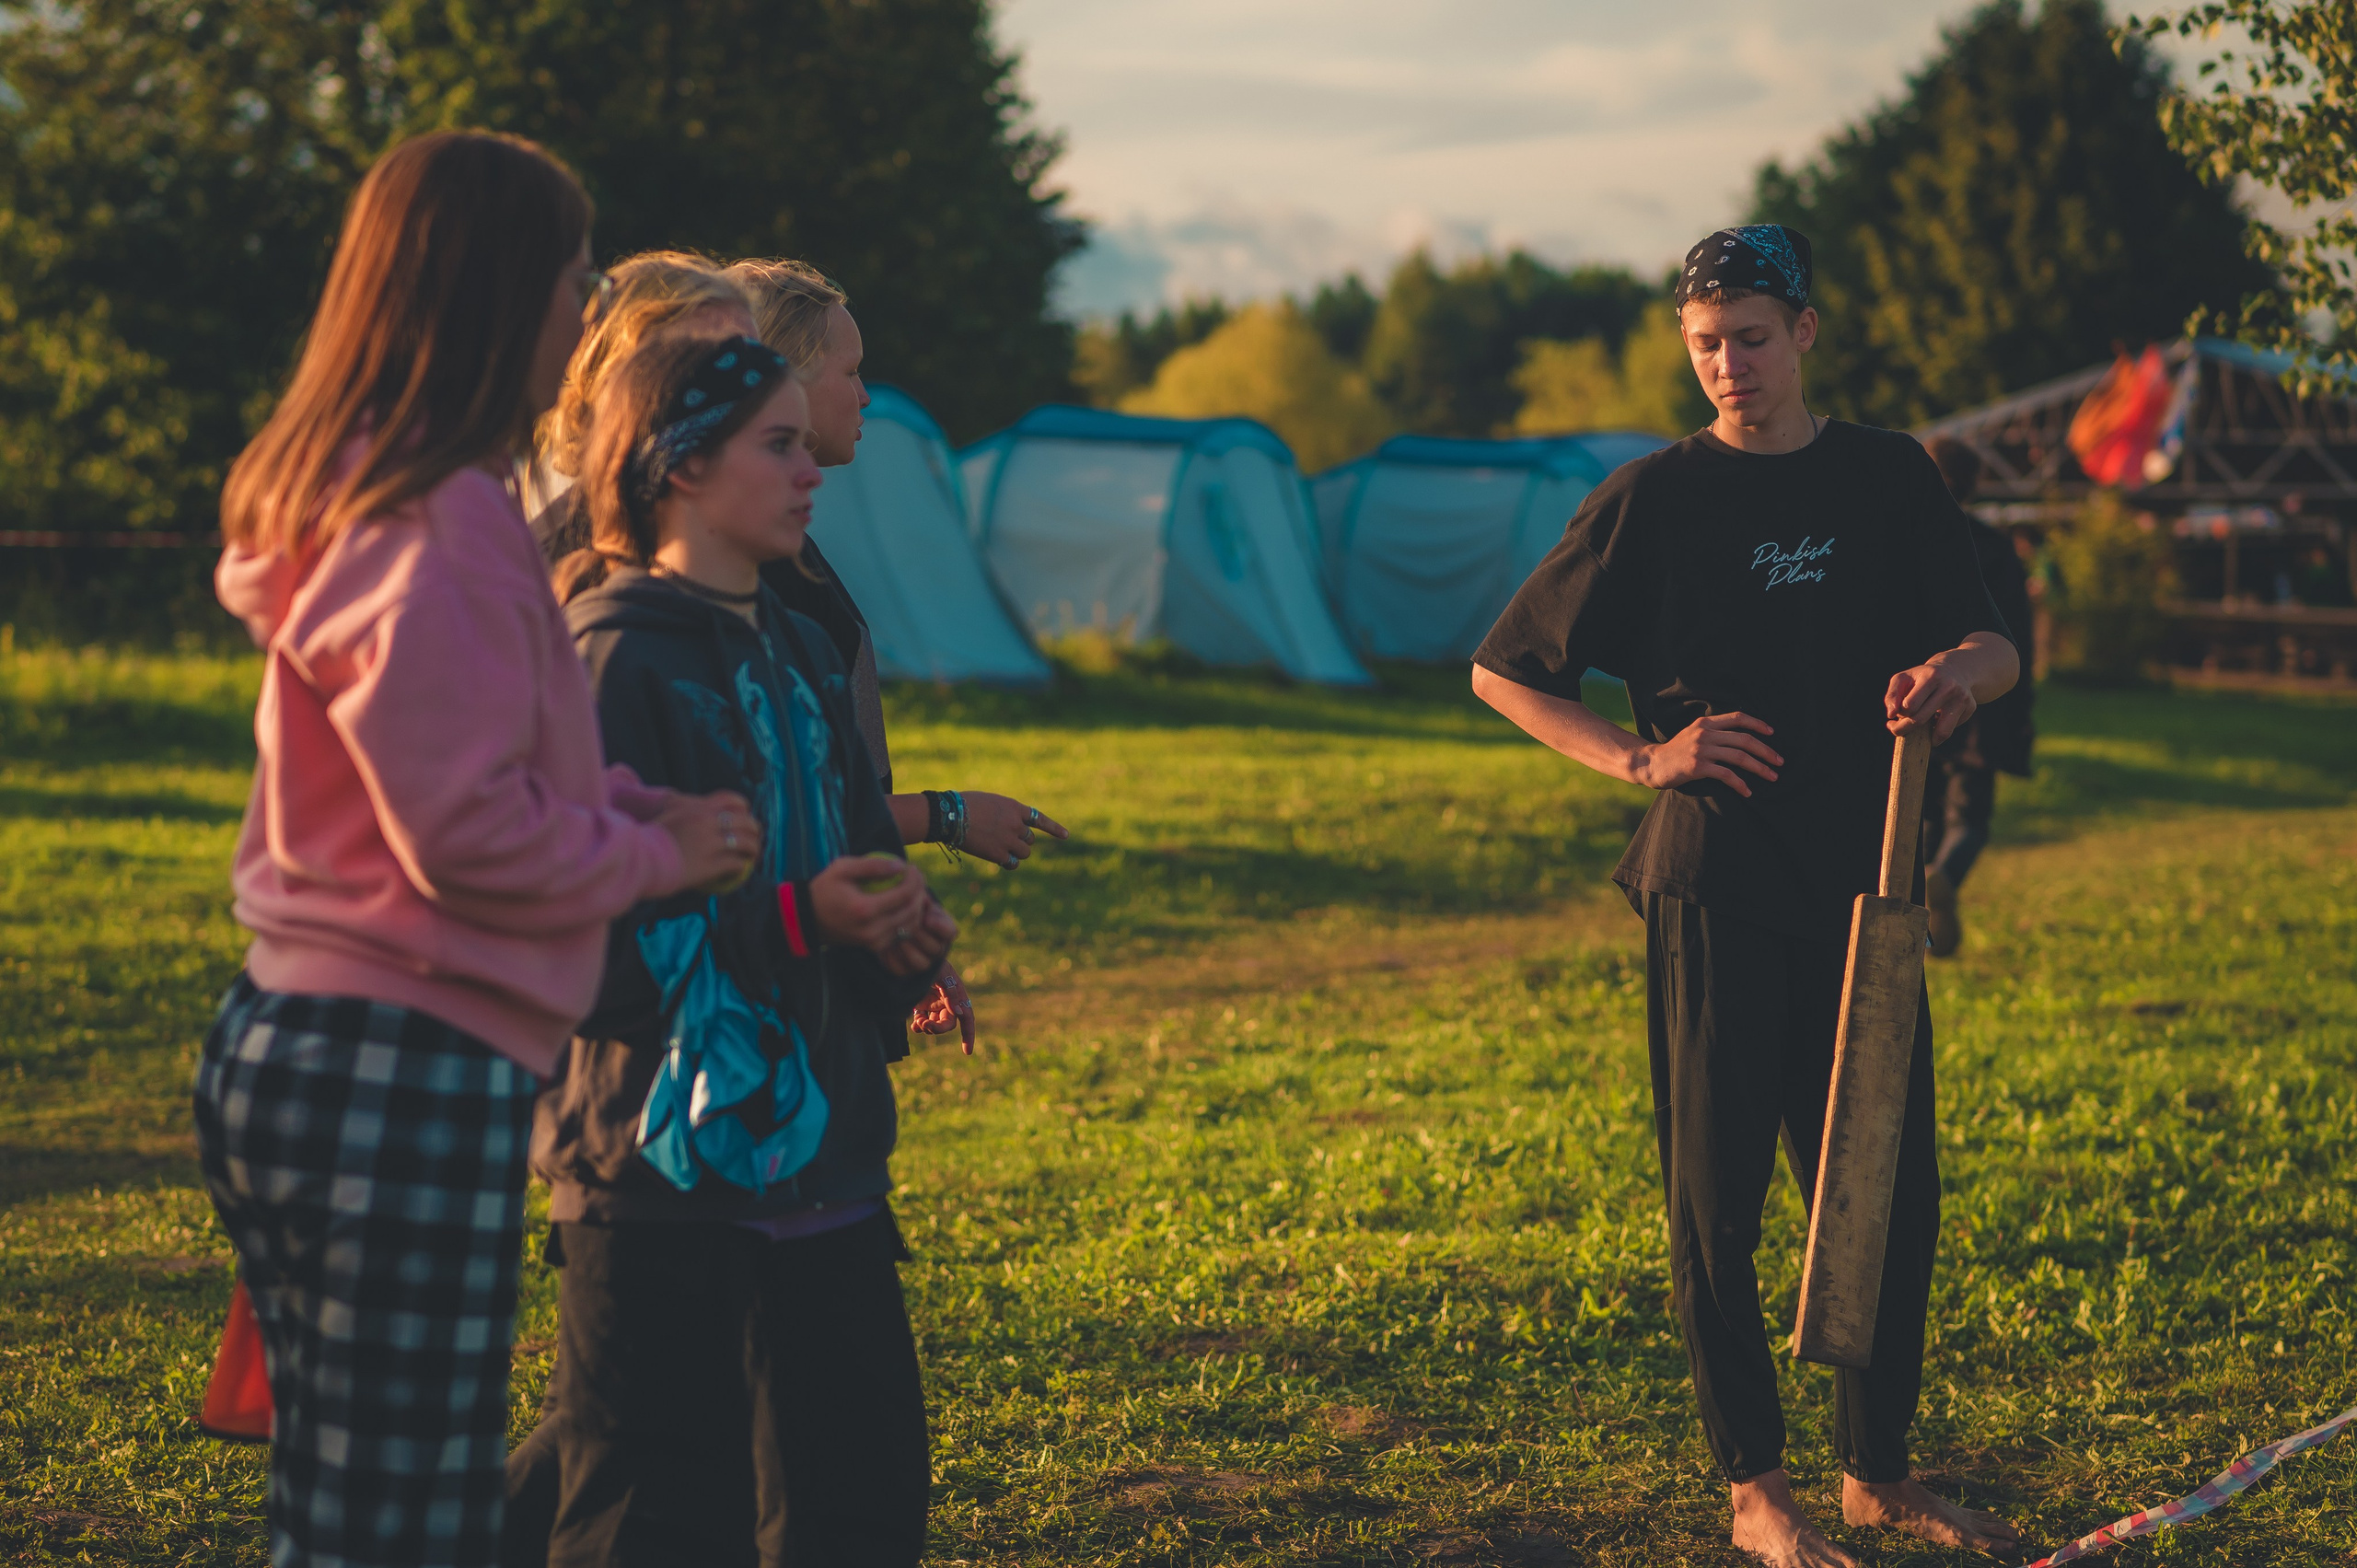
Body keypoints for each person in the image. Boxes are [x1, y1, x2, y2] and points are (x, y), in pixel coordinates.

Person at [196, 131, 758, 1568]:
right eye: (575, 280)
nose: (584, 317)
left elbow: (480, 775)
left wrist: (634, 813)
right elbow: (460, 836)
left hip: (328, 1048)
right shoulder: (437, 525)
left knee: (349, 1506)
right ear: (502, 291)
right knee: (400, 1523)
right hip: (395, 1063)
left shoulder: (393, 499)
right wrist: (655, 857)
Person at [1469, 225, 2021, 1568]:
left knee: (1884, 1185)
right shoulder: (1655, 498)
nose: (1731, 366)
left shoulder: (1890, 477)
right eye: (1707, 343)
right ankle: (1756, 1484)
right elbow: (1506, 666)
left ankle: (1876, 1471)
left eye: (1754, 338)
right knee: (1717, 1198)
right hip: (1712, 885)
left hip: (1865, 888)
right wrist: (1642, 755)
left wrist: (1955, 675)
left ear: (1808, 333)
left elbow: (1993, 637)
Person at [530, 330, 955, 1566]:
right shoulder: (609, 663)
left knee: (858, 1509)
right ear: (679, 464)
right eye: (776, 444)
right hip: (654, 1189)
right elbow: (575, 952)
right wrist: (791, 919)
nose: (810, 467)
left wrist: (899, 931)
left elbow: (848, 854)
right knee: (658, 1526)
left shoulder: (808, 649)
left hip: (826, 1179)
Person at [724, 258, 1065, 1048]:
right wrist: (946, 815)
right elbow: (780, 811)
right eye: (850, 371)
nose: (866, 394)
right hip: (777, 1000)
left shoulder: (786, 552)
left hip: (824, 963)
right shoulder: (744, 576)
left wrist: (897, 938)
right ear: (785, 383)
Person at [527, 250, 760, 524]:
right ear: (619, 371)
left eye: (756, 359)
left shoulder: (754, 521)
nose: (751, 384)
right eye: (712, 364)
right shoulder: (566, 542)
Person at [1917, 436, 2037, 957]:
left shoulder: (1907, 544)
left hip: (1919, 701)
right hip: (1984, 705)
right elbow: (2018, 642)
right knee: (1969, 820)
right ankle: (1942, 881)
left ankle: (1925, 922)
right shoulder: (1994, 547)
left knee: (1922, 817)